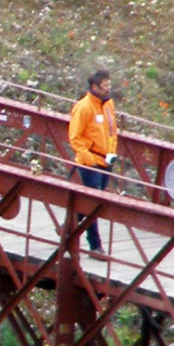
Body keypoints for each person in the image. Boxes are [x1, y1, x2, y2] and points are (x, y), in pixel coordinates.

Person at [67, 69, 118, 257]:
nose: (108, 89)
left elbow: (112, 130)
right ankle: (95, 246)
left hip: (106, 161)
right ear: (94, 87)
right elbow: (75, 137)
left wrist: (112, 152)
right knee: (93, 204)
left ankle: (68, 226)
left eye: (108, 85)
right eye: (104, 86)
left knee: (93, 202)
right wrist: (89, 160)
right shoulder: (84, 107)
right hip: (90, 162)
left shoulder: (108, 104)